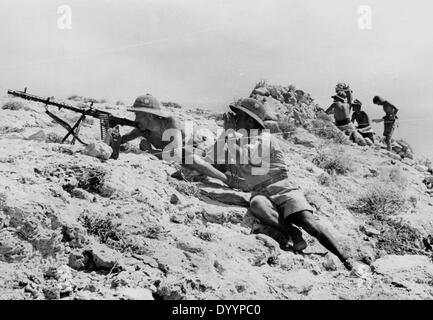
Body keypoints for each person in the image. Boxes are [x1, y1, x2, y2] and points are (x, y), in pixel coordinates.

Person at [214, 97, 359, 271]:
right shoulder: (239, 139)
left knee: (309, 222)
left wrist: (229, 133)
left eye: (239, 115)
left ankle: (346, 258)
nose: (235, 118)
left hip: (283, 187)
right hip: (261, 191)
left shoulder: (264, 138)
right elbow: (214, 157)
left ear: (250, 120)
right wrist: (226, 133)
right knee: (257, 204)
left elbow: (245, 159)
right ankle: (292, 232)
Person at [121, 94, 230, 183]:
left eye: (137, 115)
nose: (135, 119)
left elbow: (176, 154)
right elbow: (122, 139)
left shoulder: (169, 122)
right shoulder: (142, 129)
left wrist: (151, 151)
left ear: (149, 115)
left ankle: (228, 180)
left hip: (205, 148)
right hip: (193, 159)